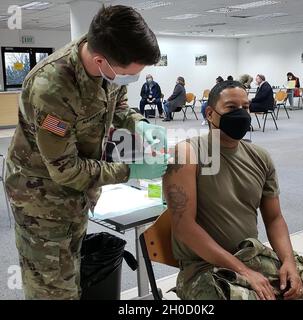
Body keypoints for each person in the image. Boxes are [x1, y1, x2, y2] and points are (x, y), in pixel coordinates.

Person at [5, 5, 169, 300]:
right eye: (131, 74)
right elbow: (66, 169)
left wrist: (140, 123)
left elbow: (118, 105)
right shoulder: (52, 87)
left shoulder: (108, 64)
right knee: (52, 289)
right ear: (100, 61)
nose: (133, 79)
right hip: (40, 199)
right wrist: (132, 171)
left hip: (77, 195)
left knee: (72, 274)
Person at [163, 80, 303, 300]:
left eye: (245, 107)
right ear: (210, 113)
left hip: (252, 255)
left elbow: (274, 218)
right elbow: (184, 227)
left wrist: (288, 261)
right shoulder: (186, 154)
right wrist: (243, 272)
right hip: (203, 268)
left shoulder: (260, 157)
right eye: (232, 108)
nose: (241, 114)